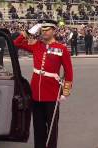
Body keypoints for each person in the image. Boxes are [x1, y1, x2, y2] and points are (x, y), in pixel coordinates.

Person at [14, 20, 73, 148]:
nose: (44, 31)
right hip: (36, 93)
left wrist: (65, 92)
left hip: (52, 94)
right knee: (38, 127)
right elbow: (16, 43)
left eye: (47, 29)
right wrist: (29, 31)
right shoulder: (36, 45)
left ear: (54, 30)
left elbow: (69, 72)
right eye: (42, 29)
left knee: (52, 129)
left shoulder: (61, 48)